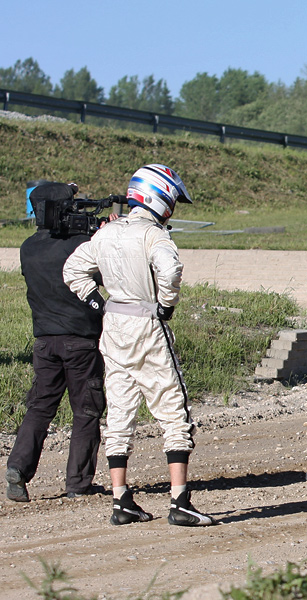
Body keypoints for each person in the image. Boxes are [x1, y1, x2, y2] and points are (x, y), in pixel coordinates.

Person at [63, 164, 215, 527]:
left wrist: (98, 302)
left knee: (119, 410)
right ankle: (180, 501)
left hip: (113, 326)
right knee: (173, 410)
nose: (172, 209)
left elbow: (73, 270)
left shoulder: (106, 233)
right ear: (159, 198)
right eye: (172, 201)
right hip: (146, 324)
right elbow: (171, 270)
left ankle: (121, 500)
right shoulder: (153, 235)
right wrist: (166, 304)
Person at [6, 182, 106, 503]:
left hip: (44, 341)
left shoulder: (28, 247)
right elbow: (105, 276)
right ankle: (78, 483)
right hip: (81, 341)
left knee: (40, 407)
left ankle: (17, 469)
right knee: (86, 410)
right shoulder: (81, 246)